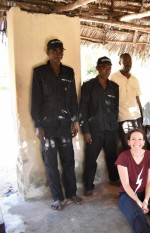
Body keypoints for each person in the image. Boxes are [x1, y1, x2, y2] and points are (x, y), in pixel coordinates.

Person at [31, 39, 82, 210]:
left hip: (65, 124)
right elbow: (36, 100)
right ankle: (57, 198)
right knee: (51, 162)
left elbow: (73, 98)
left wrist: (75, 121)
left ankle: (72, 193)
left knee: (69, 160)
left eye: (61, 50)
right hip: (48, 126)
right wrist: (38, 125)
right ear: (48, 52)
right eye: (54, 50)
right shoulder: (39, 72)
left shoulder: (69, 72)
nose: (58, 53)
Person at [79, 56, 120, 196]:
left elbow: (115, 109)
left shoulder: (114, 87)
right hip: (94, 131)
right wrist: (86, 131)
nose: (107, 70)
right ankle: (88, 186)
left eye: (109, 67)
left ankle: (114, 179)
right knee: (90, 158)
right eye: (104, 67)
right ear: (97, 68)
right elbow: (83, 110)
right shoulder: (88, 86)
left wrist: (113, 124)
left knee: (112, 156)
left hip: (110, 129)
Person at [110, 53, 143, 150]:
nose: (128, 63)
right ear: (119, 62)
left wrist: (142, 115)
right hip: (122, 118)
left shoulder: (135, 79)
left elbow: (137, 98)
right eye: (125, 61)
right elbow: (111, 99)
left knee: (139, 146)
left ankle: (138, 165)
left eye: (130, 61)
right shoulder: (114, 77)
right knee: (128, 146)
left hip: (136, 118)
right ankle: (130, 165)